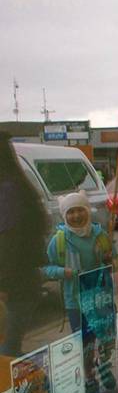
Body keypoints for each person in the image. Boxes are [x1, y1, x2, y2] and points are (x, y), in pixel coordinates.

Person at [0, 134, 48, 358]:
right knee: (11, 348)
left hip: (14, 287)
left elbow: (9, 243)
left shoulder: (7, 190)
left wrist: (3, 285)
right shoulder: (19, 186)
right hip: (24, 283)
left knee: (7, 352)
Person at [43, 191, 117, 332]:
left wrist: (110, 261)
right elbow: (45, 269)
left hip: (102, 298)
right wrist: (63, 272)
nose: (76, 215)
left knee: (107, 340)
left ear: (88, 211)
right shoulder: (59, 241)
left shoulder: (101, 236)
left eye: (80, 210)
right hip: (76, 303)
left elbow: (115, 263)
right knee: (83, 343)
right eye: (71, 212)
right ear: (64, 215)